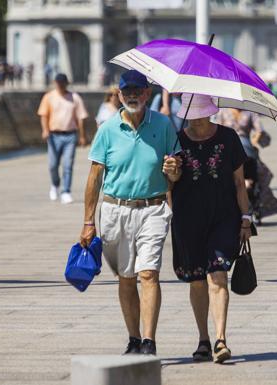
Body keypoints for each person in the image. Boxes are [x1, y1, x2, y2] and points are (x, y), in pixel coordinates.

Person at [80, 70, 182, 356]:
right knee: (126, 277)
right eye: (127, 91)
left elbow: (176, 170)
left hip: (153, 208)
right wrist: (88, 221)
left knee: (148, 273)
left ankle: (149, 341)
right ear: (119, 94)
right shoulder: (108, 129)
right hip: (115, 209)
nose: (132, 95)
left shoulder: (163, 125)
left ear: (148, 93)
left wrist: (174, 171)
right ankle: (134, 338)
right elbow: (94, 177)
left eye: (138, 90)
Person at [165, 93, 252, 364]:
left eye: (202, 114)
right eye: (193, 115)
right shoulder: (176, 140)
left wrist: (246, 217)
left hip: (224, 217)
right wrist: (171, 171)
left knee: (218, 274)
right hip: (187, 219)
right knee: (197, 280)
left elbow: (240, 183)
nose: (198, 120)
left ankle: (220, 339)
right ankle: (203, 338)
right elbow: (170, 184)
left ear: (210, 112)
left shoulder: (228, 138)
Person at [37, 73, 89, 204]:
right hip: (54, 135)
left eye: (63, 83)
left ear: (67, 83)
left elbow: (81, 118)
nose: (60, 85)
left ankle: (66, 191)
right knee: (53, 164)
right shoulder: (48, 97)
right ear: (55, 83)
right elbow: (43, 115)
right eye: (58, 83)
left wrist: (82, 136)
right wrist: (45, 130)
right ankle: (55, 185)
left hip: (70, 135)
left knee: (68, 164)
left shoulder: (75, 98)